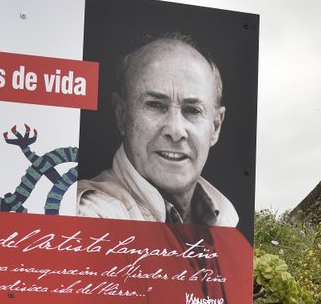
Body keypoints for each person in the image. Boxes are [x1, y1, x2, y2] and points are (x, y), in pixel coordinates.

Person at [76, 35, 238, 226]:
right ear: (122, 114)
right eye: (155, 105)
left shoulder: (226, 219)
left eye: (193, 110)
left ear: (215, 127)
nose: (176, 131)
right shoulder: (89, 216)